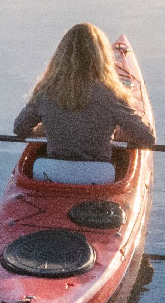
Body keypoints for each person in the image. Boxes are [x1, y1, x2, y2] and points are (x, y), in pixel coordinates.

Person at [13, 23, 156, 184]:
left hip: (51, 174)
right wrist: (113, 132)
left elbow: (20, 129)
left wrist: (51, 128)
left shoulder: (45, 90)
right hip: (98, 177)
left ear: (61, 56)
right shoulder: (112, 93)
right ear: (101, 57)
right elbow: (148, 138)